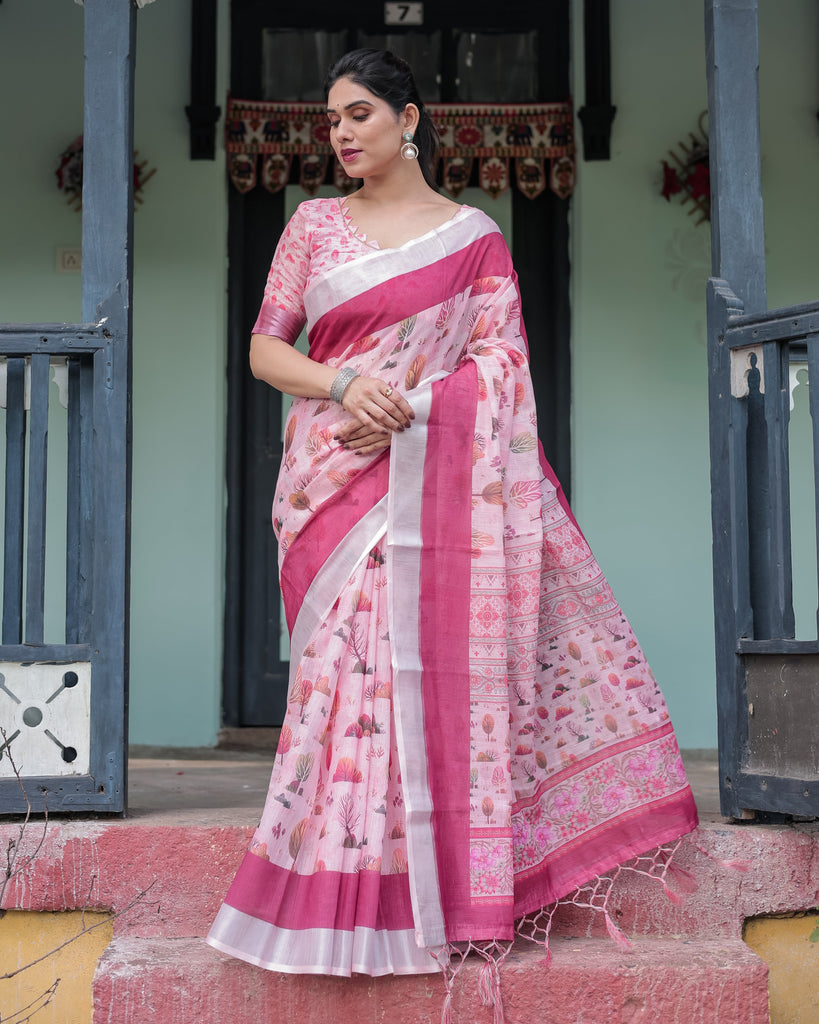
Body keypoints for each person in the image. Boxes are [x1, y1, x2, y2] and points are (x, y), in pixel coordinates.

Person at [207, 47, 698, 1001]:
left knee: (404, 673)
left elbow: (501, 363)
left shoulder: (472, 238)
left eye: (359, 115)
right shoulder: (313, 226)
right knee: (337, 681)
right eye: (332, 121)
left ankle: (415, 894)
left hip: (425, 471)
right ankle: (321, 886)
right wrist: (347, 380)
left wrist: (421, 408)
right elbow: (268, 348)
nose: (342, 134)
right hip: (328, 479)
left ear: (409, 119)